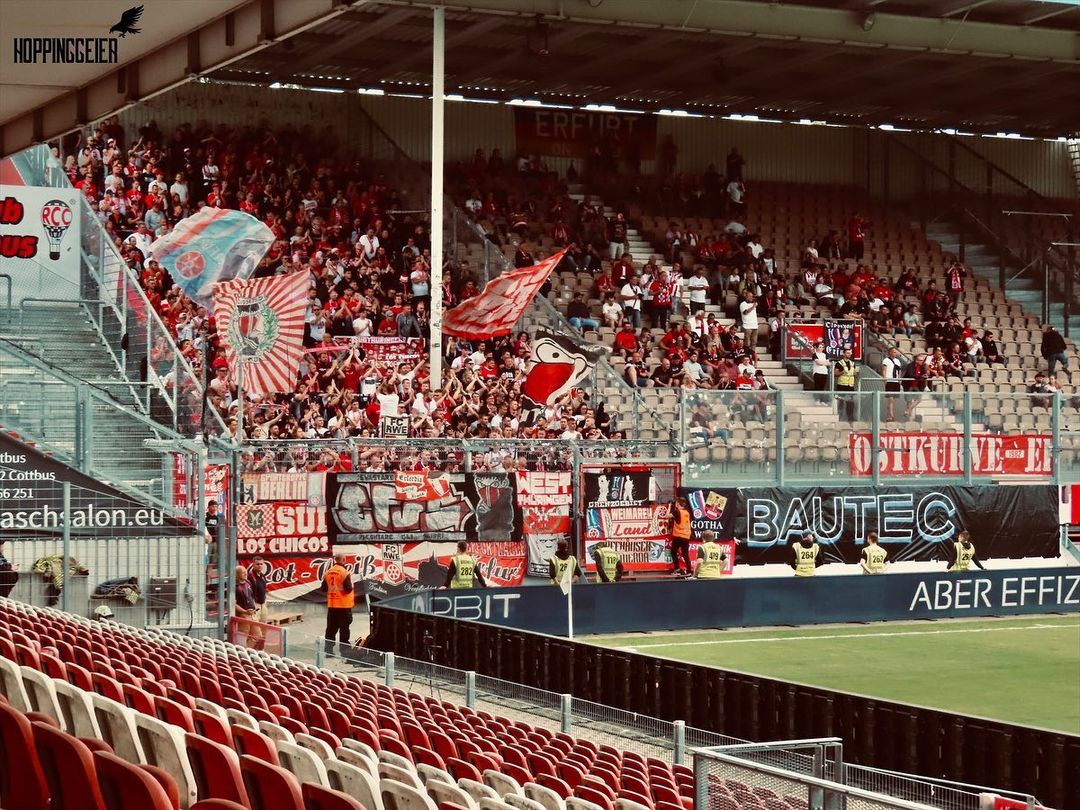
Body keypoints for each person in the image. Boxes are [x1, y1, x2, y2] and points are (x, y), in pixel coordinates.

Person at [320, 553, 355, 655]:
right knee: (344, 629)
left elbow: (323, 589)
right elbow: (348, 589)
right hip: (344, 605)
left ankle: (328, 650)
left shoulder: (328, 572)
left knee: (330, 629)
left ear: (335, 560)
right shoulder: (344, 573)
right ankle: (344, 651)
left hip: (332, 605)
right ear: (344, 560)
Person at [233, 565, 260, 649]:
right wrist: (244, 612)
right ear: (237, 574)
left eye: (246, 572)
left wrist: (254, 608)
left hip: (252, 614)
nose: (245, 574)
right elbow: (233, 604)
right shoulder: (234, 587)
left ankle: (246, 651)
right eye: (243, 573)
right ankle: (241, 653)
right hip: (243, 616)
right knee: (242, 637)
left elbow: (251, 597)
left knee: (257, 635)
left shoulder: (248, 582)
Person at [669, 496, 693, 576]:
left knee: (673, 552)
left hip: (678, 535)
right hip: (686, 536)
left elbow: (666, 516)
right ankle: (689, 571)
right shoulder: (687, 512)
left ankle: (677, 569)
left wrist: (669, 506)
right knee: (685, 555)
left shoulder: (677, 512)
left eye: (676, 502)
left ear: (678, 504)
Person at [834, 346, 858, 421]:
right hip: (842, 385)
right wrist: (842, 372)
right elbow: (835, 373)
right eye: (847, 353)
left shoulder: (853, 363)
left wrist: (856, 374)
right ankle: (839, 417)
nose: (849, 354)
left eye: (850, 353)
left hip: (850, 386)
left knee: (850, 403)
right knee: (840, 402)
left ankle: (850, 417)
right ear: (844, 354)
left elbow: (854, 374)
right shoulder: (839, 363)